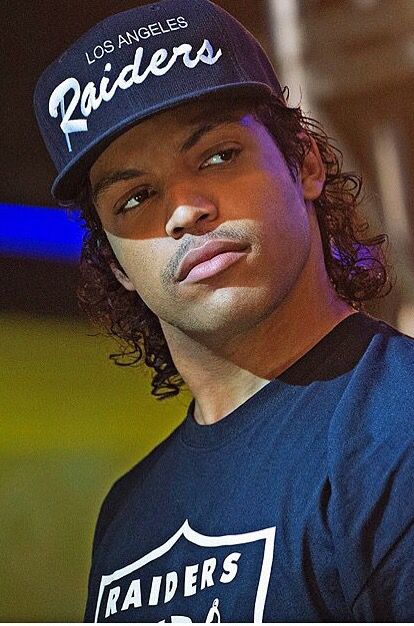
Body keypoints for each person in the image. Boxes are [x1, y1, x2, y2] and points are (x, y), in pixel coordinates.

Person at [33, 0, 414, 622]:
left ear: (305, 163)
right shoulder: (127, 518)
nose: (185, 210)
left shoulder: (399, 424)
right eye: (136, 196)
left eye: (217, 155)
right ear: (115, 264)